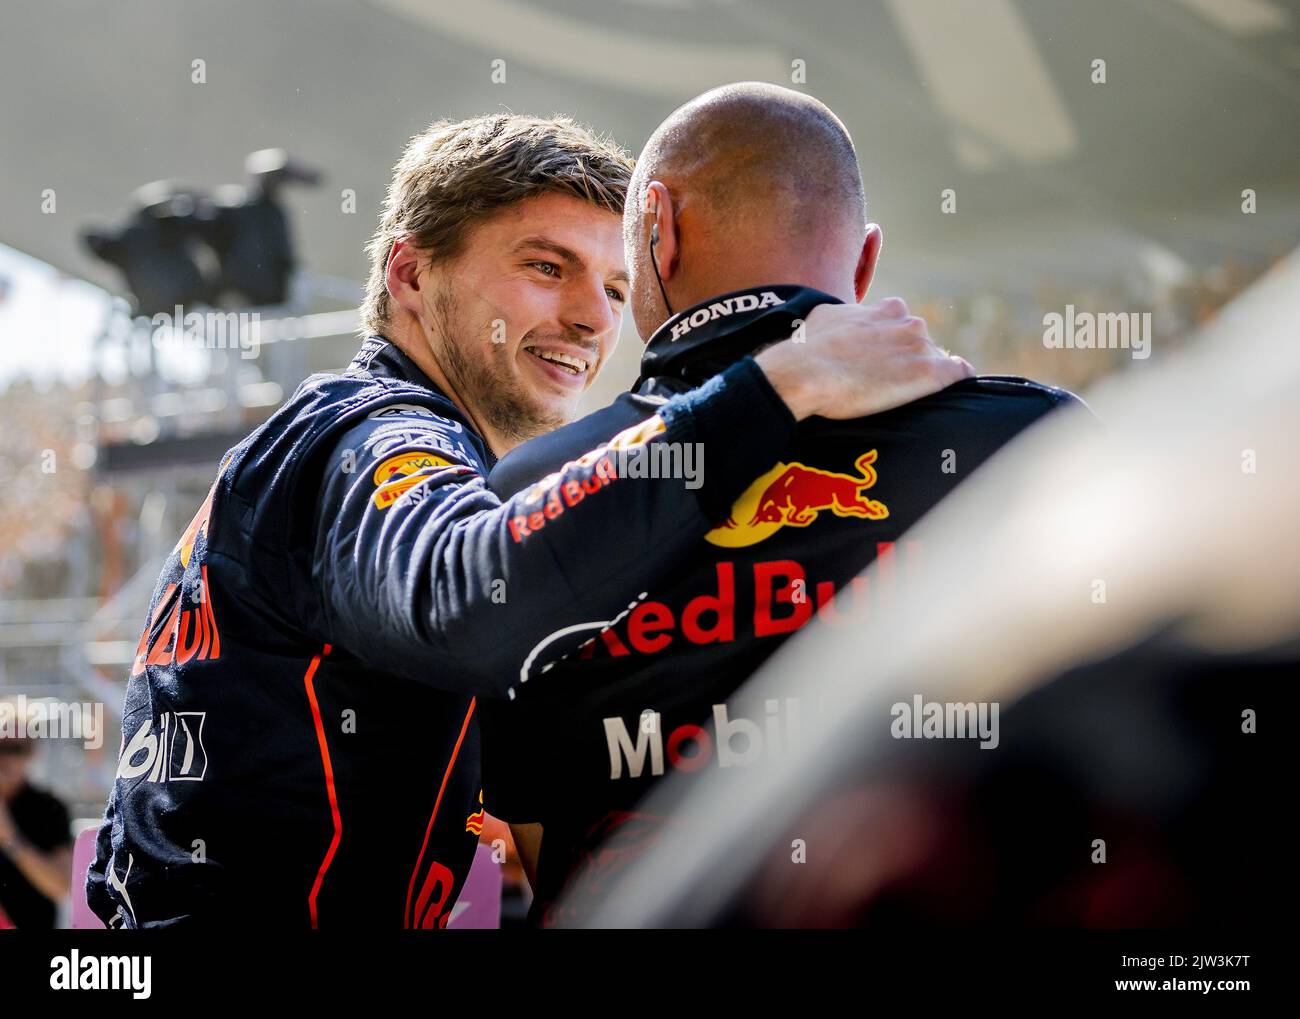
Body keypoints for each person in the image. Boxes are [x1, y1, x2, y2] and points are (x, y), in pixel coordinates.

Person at [87, 113, 969, 928]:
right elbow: (471, 600)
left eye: (618, 288)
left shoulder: (343, 438)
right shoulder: (373, 433)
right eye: (546, 268)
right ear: (409, 274)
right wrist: (778, 385)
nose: (590, 318)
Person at [479, 83, 1081, 926]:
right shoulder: (1039, 440)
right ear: (864, 263)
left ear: (657, 227)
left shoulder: (526, 498)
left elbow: (534, 845)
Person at [0, 734, 72, 929]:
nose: (4, 758)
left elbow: (61, 886)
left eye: (15, 748)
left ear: (31, 752)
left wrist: (11, 838)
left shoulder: (49, 808)